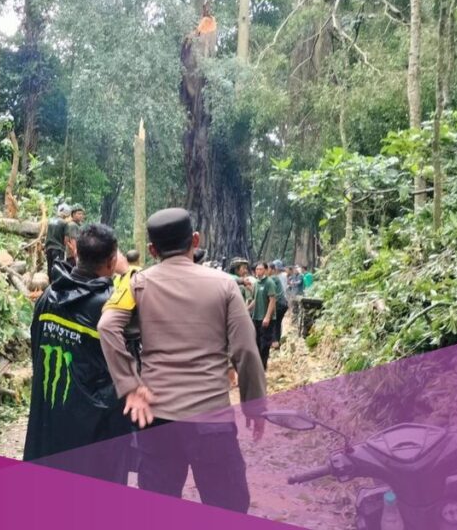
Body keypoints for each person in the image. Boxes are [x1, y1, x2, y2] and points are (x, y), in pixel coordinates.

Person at [98, 207, 267, 513]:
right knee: (228, 505)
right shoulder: (225, 285)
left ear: (152, 249)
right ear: (195, 240)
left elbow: (107, 326)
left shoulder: (136, 284)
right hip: (211, 419)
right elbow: (245, 351)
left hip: (157, 420)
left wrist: (130, 386)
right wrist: (254, 403)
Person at [23, 224, 131, 483]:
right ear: (112, 260)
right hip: (95, 429)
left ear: (77, 253)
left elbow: (36, 350)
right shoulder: (112, 305)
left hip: (49, 416)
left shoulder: (49, 296)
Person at [247, 261, 276, 369]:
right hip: (256, 317)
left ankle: (263, 365)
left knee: (265, 343)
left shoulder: (269, 282)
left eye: (260, 269)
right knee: (257, 341)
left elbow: (272, 300)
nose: (258, 271)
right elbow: (255, 300)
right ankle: (258, 365)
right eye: (257, 269)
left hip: (266, 318)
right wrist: (247, 309)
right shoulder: (256, 283)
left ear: (266, 270)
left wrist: (267, 317)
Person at [45, 204, 71, 278]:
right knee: (58, 268)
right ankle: (57, 286)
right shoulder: (65, 223)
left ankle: (50, 284)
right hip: (58, 249)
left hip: (49, 248)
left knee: (49, 267)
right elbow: (66, 240)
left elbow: (47, 234)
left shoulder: (50, 221)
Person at [269, 260, 290, 351]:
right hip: (284, 301)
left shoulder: (274, 278)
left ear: (274, 269)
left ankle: (274, 342)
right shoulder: (284, 276)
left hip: (279, 302)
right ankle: (277, 341)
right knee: (277, 323)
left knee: (273, 322)